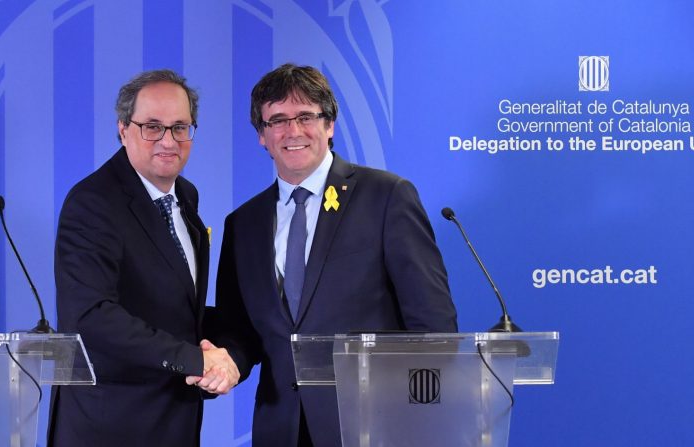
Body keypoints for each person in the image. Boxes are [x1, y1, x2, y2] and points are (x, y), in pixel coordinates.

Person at [204, 63, 458, 447]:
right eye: (278, 120)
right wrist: (226, 363)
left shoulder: (386, 197)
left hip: (378, 427)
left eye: (306, 116)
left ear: (330, 125)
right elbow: (240, 330)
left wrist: (417, 418)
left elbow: (433, 326)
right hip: (282, 431)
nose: (293, 131)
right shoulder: (243, 223)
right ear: (261, 135)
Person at [48, 69, 238, 447]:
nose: (168, 140)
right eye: (152, 126)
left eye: (180, 127)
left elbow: (177, 310)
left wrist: (232, 350)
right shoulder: (93, 202)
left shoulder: (186, 196)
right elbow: (91, 315)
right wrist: (194, 360)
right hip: (110, 426)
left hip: (175, 421)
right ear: (123, 129)